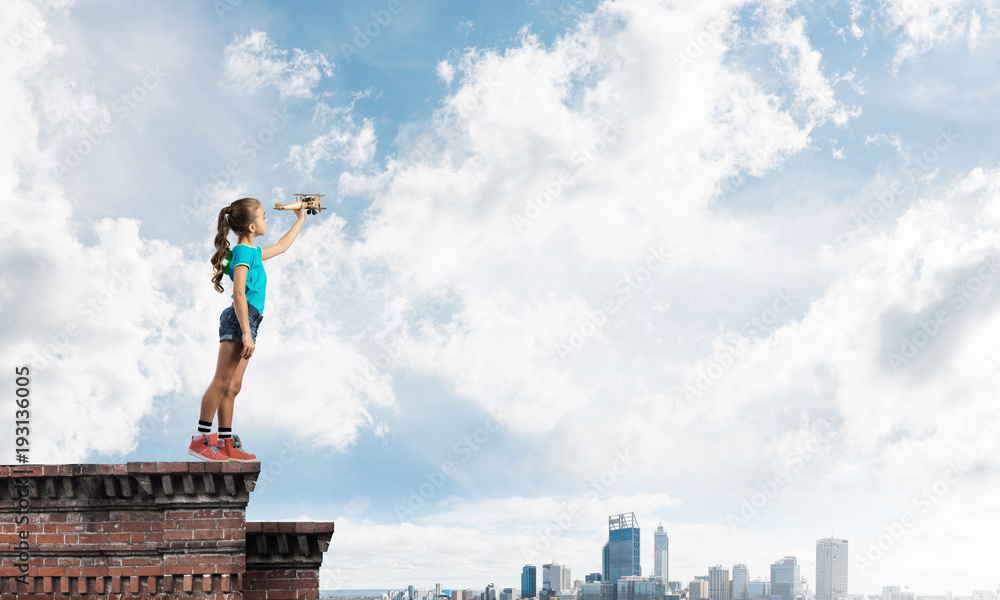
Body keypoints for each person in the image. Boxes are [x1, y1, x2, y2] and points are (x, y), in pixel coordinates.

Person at [188, 197, 307, 462]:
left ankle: (226, 441)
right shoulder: (243, 252)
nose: (267, 220)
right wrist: (245, 332)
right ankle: (200, 440)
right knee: (221, 381)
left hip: (249, 321)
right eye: (263, 216)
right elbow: (239, 293)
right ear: (251, 227)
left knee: (233, 386)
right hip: (240, 320)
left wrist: (300, 219)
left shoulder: (252, 252)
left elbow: (282, 246)